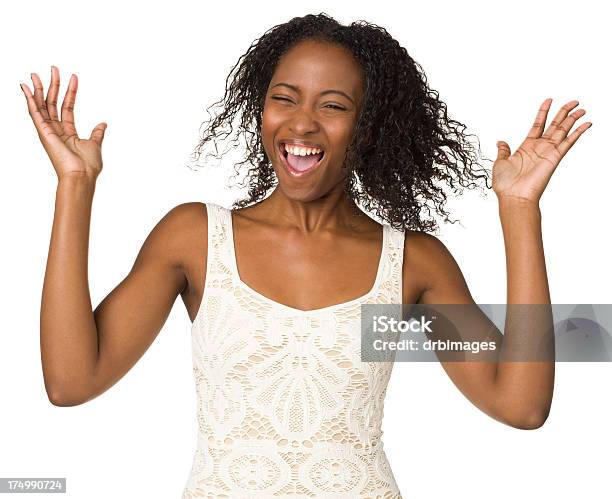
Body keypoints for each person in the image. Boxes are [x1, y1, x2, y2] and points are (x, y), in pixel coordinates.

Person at [20, 13, 591, 499]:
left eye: (333, 106)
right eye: (283, 99)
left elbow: (521, 406)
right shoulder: (195, 238)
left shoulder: (411, 263)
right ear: (259, 109)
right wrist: (75, 184)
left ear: (368, 129)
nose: (300, 124)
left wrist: (519, 210)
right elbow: (72, 382)